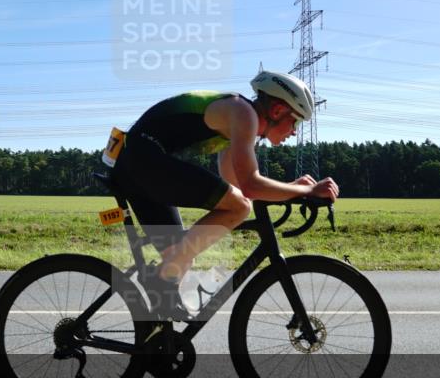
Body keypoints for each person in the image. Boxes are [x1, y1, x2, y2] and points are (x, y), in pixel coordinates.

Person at [112, 70, 340, 321]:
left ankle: (156, 336)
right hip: (144, 160)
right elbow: (249, 189)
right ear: (277, 111)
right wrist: (306, 190)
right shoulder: (243, 114)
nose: (295, 132)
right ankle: (158, 281)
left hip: (136, 161)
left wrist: (289, 192)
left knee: (179, 257)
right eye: (295, 122)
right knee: (234, 211)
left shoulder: (237, 124)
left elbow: (238, 187)